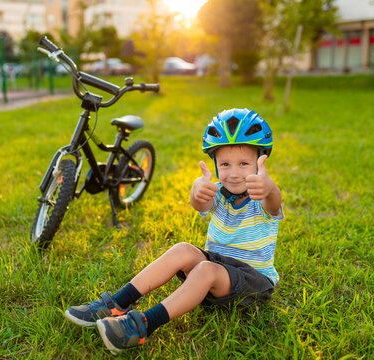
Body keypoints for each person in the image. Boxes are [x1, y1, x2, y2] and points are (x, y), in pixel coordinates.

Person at [64, 108, 284, 355]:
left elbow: (273, 202)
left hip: (253, 283)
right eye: (225, 164)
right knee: (183, 250)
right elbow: (200, 204)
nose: (233, 173)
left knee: (205, 268)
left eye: (244, 164)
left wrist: (268, 188)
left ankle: (143, 325)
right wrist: (197, 189)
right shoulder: (219, 193)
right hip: (217, 272)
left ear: (260, 162)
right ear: (214, 164)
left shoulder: (261, 197)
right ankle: (116, 304)